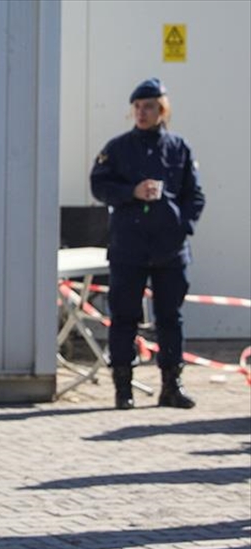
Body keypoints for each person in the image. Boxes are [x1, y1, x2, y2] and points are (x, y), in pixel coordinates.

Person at [90, 77, 204, 410]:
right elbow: (98, 185)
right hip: (129, 247)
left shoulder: (179, 147)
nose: (142, 112)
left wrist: (181, 228)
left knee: (171, 318)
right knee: (124, 316)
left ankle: (171, 386)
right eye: (137, 107)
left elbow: (195, 196)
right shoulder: (117, 147)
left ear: (162, 109)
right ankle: (123, 389)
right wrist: (131, 192)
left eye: (149, 107)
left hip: (170, 250)